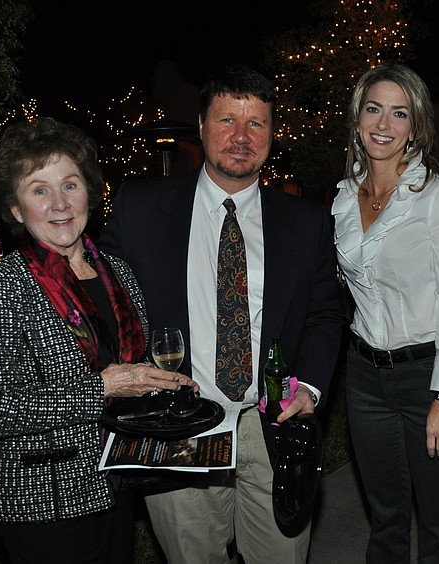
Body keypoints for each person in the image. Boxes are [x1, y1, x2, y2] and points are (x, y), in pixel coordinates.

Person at [98, 64, 343, 563]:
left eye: (256, 123)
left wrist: (311, 389)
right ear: (202, 125)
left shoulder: (306, 221)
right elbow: (99, 298)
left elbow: (325, 315)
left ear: (272, 135)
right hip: (180, 423)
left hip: (271, 422)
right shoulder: (142, 207)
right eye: (227, 119)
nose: (241, 136)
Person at [0, 117, 198, 563]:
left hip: (113, 479)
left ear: (90, 191)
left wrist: (164, 387)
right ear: (15, 208)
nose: (59, 204)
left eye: (70, 185)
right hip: (41, 498)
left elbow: (128, 366)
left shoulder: (117, 272)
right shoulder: (0, 287)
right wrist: (102, 388)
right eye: (39, 190)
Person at [332, 63, 439, 563]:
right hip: (364, 378)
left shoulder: (438, 196)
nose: (383, 124)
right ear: (357, 119)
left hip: (428, 377)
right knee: (385, 517)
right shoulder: (343, 198)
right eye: (374, 109)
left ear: (414, 127)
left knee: (438, 523)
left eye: (399, 113)